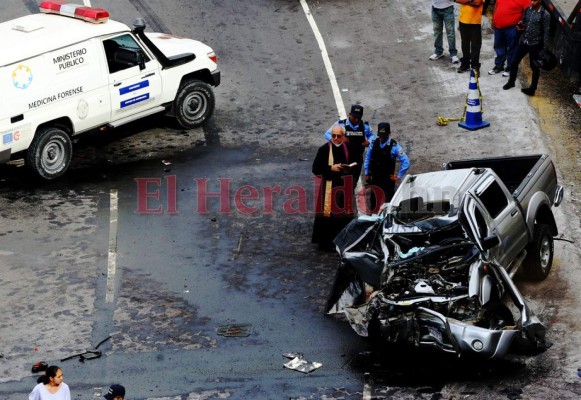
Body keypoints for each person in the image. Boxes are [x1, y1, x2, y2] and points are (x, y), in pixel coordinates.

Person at [312, 124, 357, 251]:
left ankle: (344, 242)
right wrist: (330, 168)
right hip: (329, 187)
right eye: (333, 136)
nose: (336, 138)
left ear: (343, 137)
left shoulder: (348, 148)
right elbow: (315, 169)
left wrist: (349, 168)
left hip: (343, 187)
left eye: (338, 136)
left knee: (343, 215)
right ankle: (326, 243)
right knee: (328, 216)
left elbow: (355, 163)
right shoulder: (324, 150)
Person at [502, 0, 550, 96]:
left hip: (535, 44)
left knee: (534, 67)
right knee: (514, 61)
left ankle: (532, 89)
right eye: (531, 0)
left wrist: (544, 49)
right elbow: (523, 22)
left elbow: (546, 32)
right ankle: (511, 81)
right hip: (524, 41)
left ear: (540, 1)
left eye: (534, 1)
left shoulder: (545, 14)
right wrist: (520, 26)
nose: (532, 2)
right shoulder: (528, 9)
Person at [364, 122, 410, 213]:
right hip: (375, 178)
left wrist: (398, 176)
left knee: (389, 203)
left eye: (384, 136)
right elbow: (368, 158)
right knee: (374, 201)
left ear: (389, 134)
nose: (382, 138)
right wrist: (366, 172)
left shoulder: (395, 146)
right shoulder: (373, 143)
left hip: (387, 181)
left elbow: (406, 162)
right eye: (380, 135)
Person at [324, 104, 374, 186]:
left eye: (359, 117)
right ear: (350, 114)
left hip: (357, 160)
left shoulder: (365, 126)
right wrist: (338, 139)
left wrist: (369, 141)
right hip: (342, 158)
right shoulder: (340, 124)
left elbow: (372, 135)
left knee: (352, 184)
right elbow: (327, 134)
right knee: (340, 182)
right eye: (354, 117)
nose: (356, 119)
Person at [488, 0, 530, 76]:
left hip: (512, 28)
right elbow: (497, 7)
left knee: (512, 48)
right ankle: (499, 66)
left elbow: (529, 12)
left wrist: (522, 23)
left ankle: (510, 68)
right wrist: (493, 20)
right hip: (498, 27)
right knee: (498, 47)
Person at [455, 0, 485, 74]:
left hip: (475, 22)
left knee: (475, 45)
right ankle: (465, 64)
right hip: (463, 20)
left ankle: (475, 66)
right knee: (465, 44)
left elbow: (477, 3)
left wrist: (464, 1)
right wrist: (470, 0)